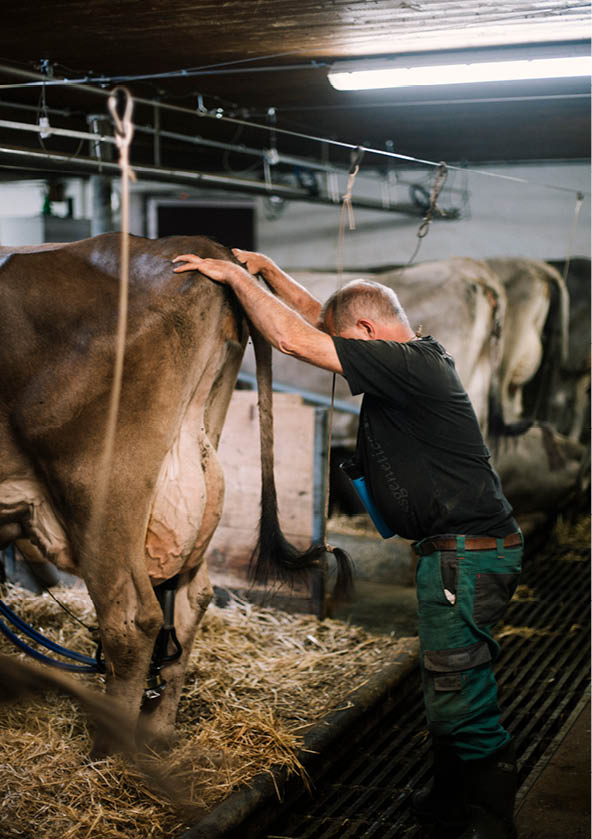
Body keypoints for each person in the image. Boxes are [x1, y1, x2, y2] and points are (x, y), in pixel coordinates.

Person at [173, 248, 524, 839]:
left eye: (348, 340)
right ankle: (447, 797)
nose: (342, 352)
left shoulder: (409, 365)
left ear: (367, 332)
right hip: (461, 552)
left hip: (466, 556)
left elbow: (294, 341)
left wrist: (232, 276)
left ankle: (492, 816)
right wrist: (271, 272)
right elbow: (317, 322)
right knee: (448, 676)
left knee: (458, 685)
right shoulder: (413, 353)